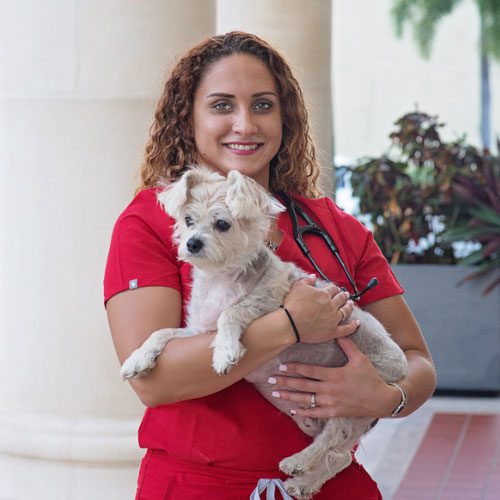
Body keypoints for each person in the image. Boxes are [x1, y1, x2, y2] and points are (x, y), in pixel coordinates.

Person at [104, 31, 436, 500]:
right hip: (202, 487)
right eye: (221, 105)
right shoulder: (152, 221)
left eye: (263, 105)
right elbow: (153, 382)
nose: (245, 124)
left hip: (328, 486)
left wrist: (385, 398)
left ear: (286, 119)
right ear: (188, 118)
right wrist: (291, 325)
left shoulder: (335, 227)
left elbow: (417, 360)